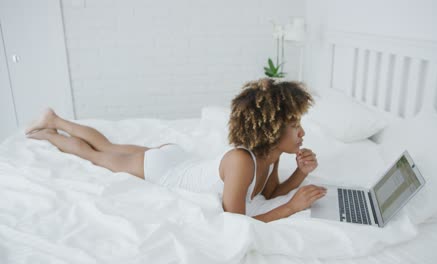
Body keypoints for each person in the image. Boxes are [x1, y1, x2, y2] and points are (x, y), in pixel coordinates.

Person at [25, 78, 326, 222]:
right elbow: (234, 222)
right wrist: (291, 208)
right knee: (97, 153)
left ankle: (56, 120)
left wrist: (300, 173)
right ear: (271, 128)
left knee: (109, 146)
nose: (301, 132)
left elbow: (267, 194)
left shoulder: (271, 155)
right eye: (293, 124)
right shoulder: (242, 160)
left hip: (180, 159)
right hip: (162, 169)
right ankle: (52, 130)